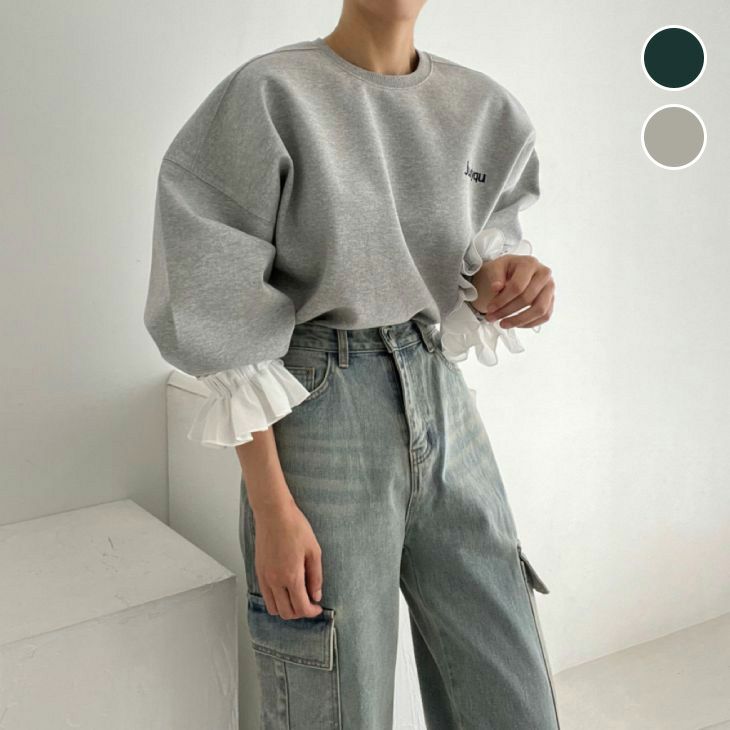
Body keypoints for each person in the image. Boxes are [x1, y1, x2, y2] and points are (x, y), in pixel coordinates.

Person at [143, 2, 559, 728]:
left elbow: (482, 246)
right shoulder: (270, 94)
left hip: (439, 388)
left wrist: (510, 280)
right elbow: (216, 296)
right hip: (317, 399)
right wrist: (271, 509)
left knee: (508, 680)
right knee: (335, 699)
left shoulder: (483, 108)